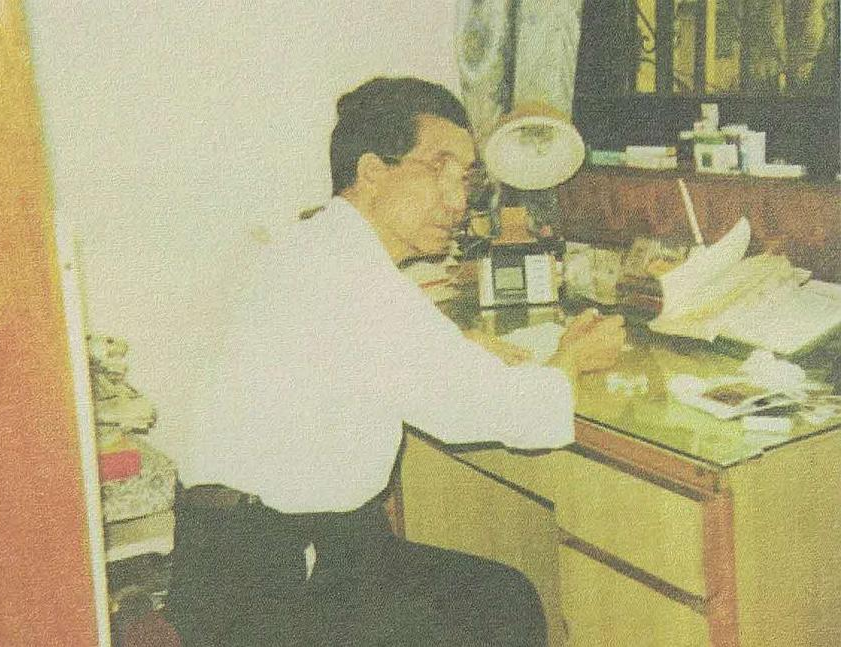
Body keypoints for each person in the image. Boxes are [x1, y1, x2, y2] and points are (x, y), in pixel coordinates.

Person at [164, 76, 625, 646]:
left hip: (238, 549)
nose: (456, 201)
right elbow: (507, 412)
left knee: (490, 597)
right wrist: (572, 359)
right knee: (502, 608)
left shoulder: (313, 246)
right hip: (270, 581)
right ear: (372, 172)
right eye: (438, 169)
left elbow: (366, 355)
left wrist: (458, 347)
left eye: (465, 178)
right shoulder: (357, 280)